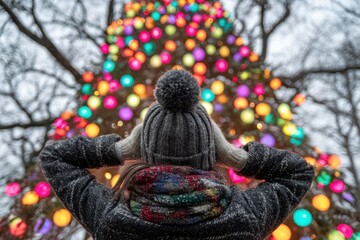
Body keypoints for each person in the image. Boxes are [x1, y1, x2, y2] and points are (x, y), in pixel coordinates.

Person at [40, 69, 315, 240]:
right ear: (212, 151)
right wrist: (235, 157)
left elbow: (54, 157)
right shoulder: (244, 217)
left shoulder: (112, 219)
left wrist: (119, 149)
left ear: (142, 150)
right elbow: (298, 171)